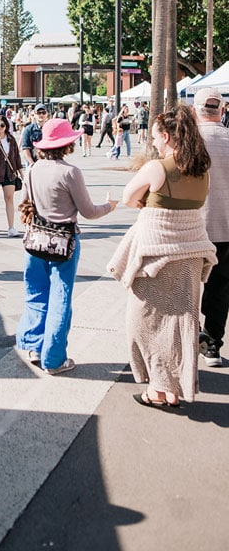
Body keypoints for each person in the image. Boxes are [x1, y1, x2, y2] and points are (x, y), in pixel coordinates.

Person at [108, 105, 216, 408]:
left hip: (156, 257)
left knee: (144, 323)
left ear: (167, 137)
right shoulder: (202, 171)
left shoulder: (158, 168)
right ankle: (171, 388)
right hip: (190, 256)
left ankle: (157, 389)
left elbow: (129, 197)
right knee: (179, 326)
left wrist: (147, 203)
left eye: (156, 137)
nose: (154, 143)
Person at [16, 118, 117, 375]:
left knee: (36, 292)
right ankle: (54, 359)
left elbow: (25, 202)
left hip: (35, 238)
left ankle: (34, 346)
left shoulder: (33, 169)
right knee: (60, 296)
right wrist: (109, 207)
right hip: (63, 241)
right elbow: (88, 211)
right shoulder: (70, 172)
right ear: (67, 144)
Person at [194, 88, 229, 367]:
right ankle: (212, 343)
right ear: (222, 109)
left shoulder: (189, 142)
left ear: (196, 110)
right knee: (220, 288)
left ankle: (188, 337)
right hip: (226, 227)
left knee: (188, 286)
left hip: (193, 228)